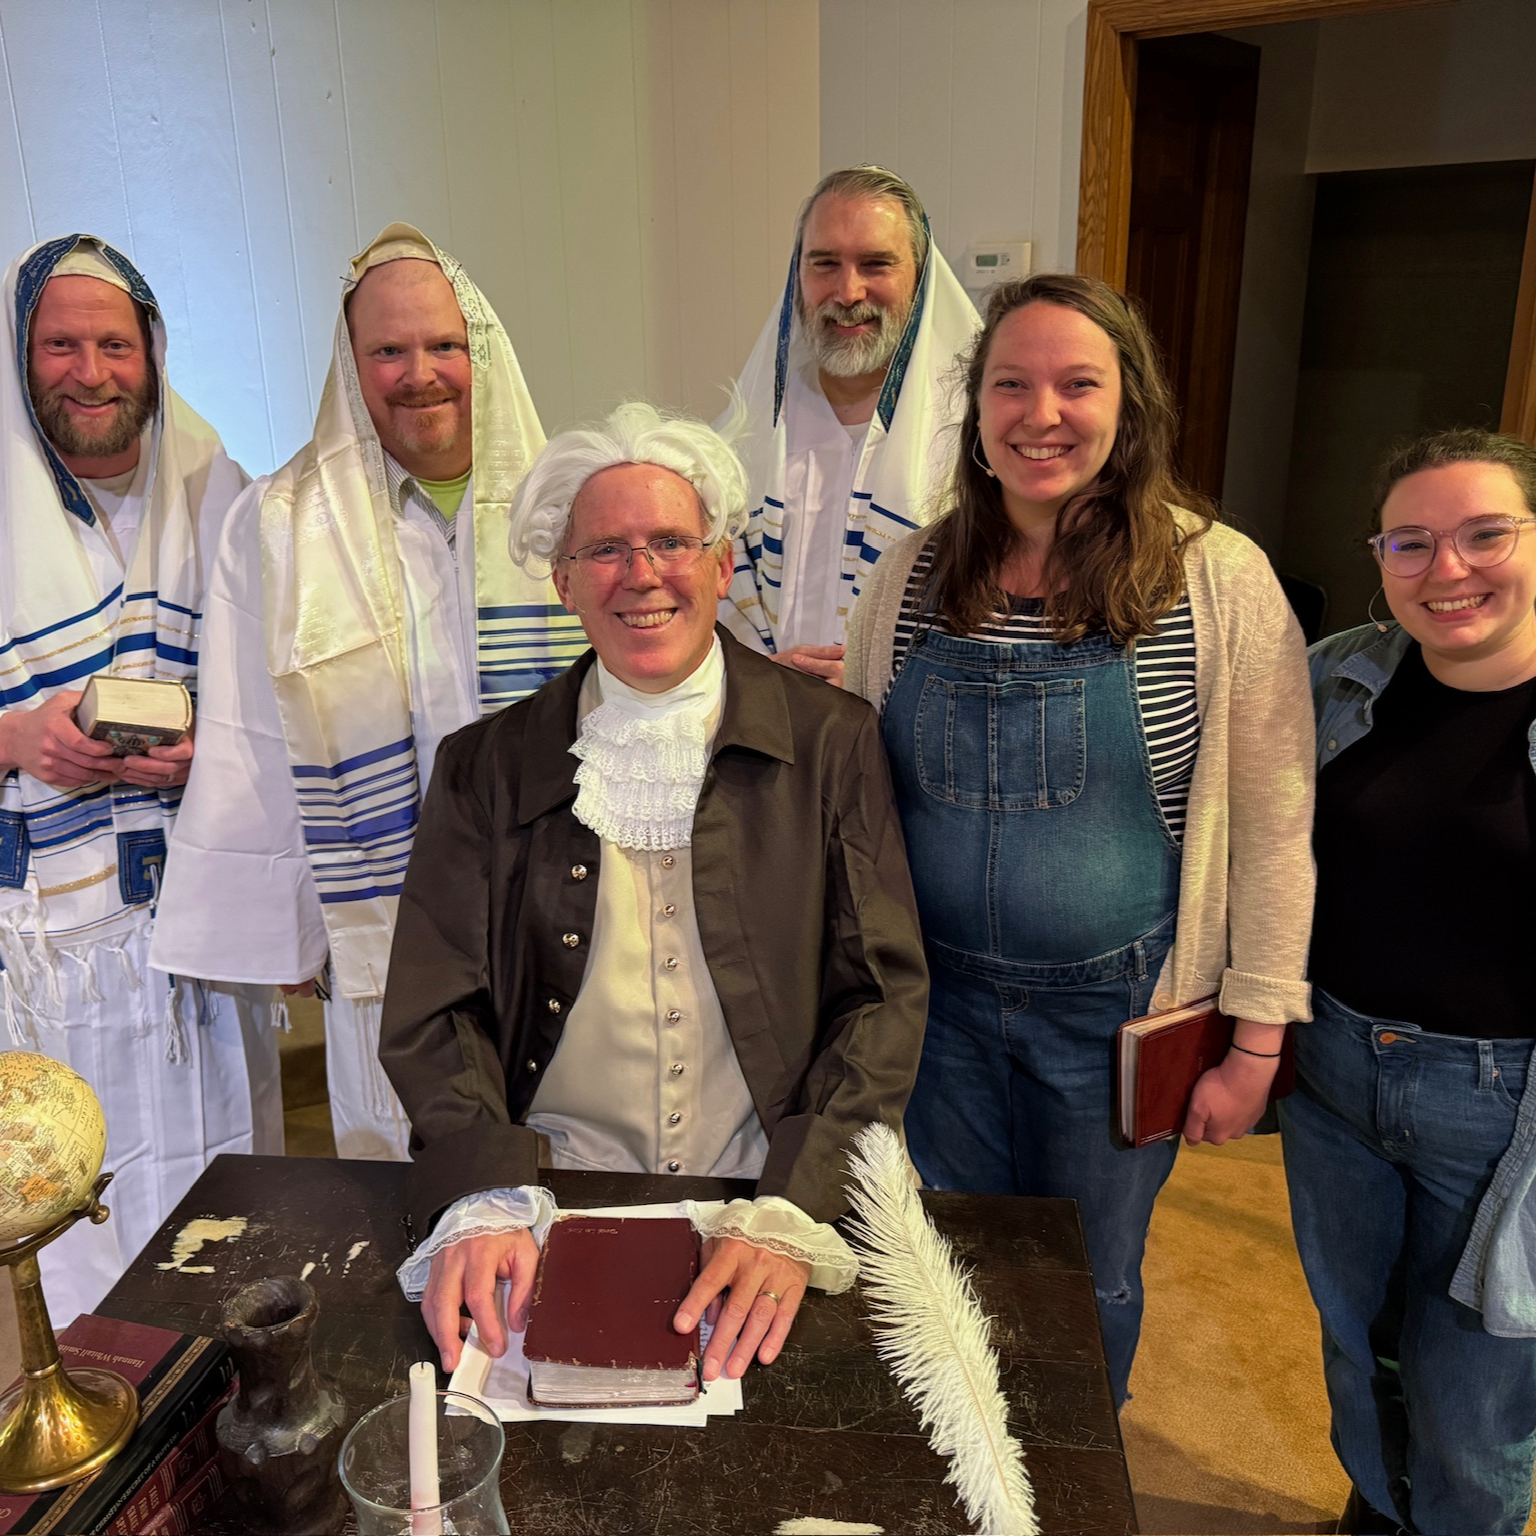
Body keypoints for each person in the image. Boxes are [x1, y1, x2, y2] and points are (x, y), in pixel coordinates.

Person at [379, 402, 928, 1382]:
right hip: (546, 1197)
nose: (642, 575)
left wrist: (797, 1203)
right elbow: (435, 1005)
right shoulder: (482, 768)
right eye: (604, 550)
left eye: (673, 542)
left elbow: (883, 997)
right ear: (560, 580)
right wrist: (483, 1192)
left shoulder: (833, 740)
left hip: (766, 1194)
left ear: (722, 565)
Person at [845, 272, 1316, 1406]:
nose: (1039, 413)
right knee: (950, 1252)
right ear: (978, 415)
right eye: (1011, 384)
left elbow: (1274, 827)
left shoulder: (1216, 577)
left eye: (1076, 383)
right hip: (939, 1013)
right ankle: (970, 1460)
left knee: (1091, 1278)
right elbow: (854, 802)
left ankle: (1069, 1475)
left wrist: (1255, 1039)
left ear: (1130, 405)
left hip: (1116, 1021)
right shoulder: (915, 575)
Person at [150, 224, 586, 1160]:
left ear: (482, 351)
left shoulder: (568, 507)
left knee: (574, 1152)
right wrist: (291, 925)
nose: (418, 373)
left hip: (566, 911)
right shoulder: (277, 522)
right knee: (407, 1172)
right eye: (387, 350)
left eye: (443, 345)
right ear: (351, 368)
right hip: (393, 922)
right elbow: (249, 733)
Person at [0, 234, 282, 1326]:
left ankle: (230, 1405)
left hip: (203, 935)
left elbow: (286, 701)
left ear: (154, 352)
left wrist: (214, 740)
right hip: (56, 954)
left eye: (114, 342)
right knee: (83, 1202)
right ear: (22, 361)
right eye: (59, 343)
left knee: (229, 1198)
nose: (90, 369)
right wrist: (18, 739)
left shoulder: (224, 495)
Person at [1285, 429, 1536, 1536]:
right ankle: (1381, 1514)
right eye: (1411, 542)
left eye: (1486, 535)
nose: (1449, 570)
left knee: (1479, 1387)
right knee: (1357, 1338)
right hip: (1334, 1072)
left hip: (1505, 1107)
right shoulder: (1341, 673)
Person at [724, 166, 979, 686]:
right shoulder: (745, 437)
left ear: (921, 276)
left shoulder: (978, 441)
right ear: (798, 274)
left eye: (876, 264)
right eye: (825, 263)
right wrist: (760, 675)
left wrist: (878, 671)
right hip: (771, 727)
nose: (847, 290)